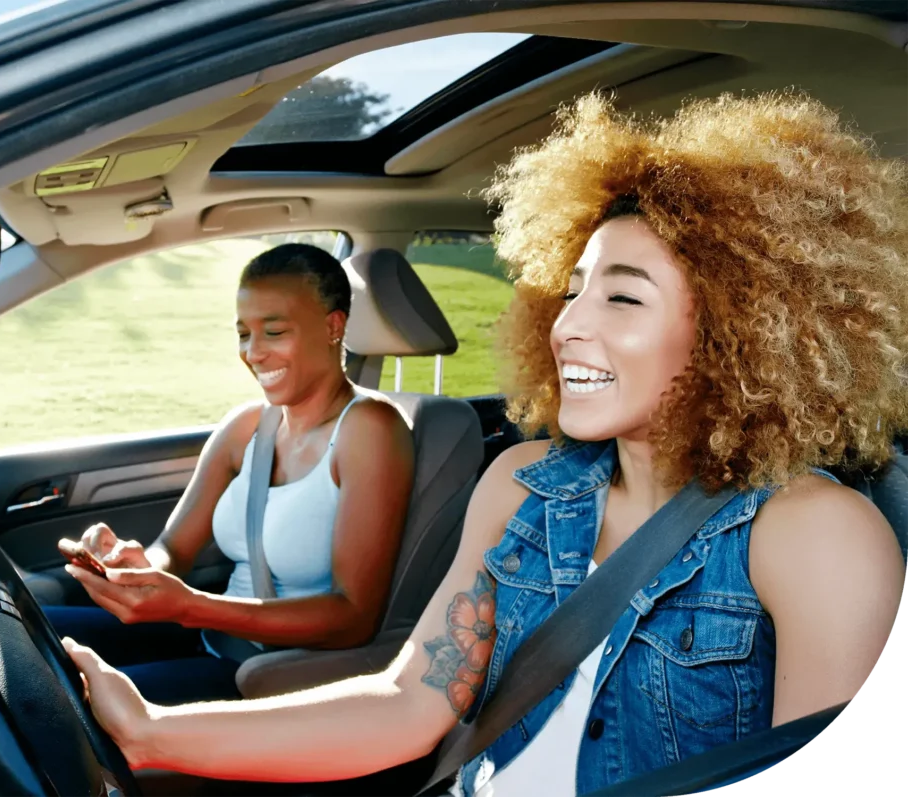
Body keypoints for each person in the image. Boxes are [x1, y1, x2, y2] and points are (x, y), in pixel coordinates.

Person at [61, 91, 907, 795]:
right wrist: (154, 732)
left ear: (742, 330)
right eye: (570, 291)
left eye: (622, 298)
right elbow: (407, 704)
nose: (569, 326)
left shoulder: (815, 536)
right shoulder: (521, 485)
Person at [47, 242, 416, 706]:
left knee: (61, 703)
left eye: (275, 331)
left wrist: (190, 606)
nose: (254, 353)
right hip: (210, 639)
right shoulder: (245, 427)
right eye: (244, 334)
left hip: (280, 677)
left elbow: (352, 617)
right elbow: (174, 550)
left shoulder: (370, 429)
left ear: (332, 326)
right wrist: (136, 564)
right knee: (23, 630)